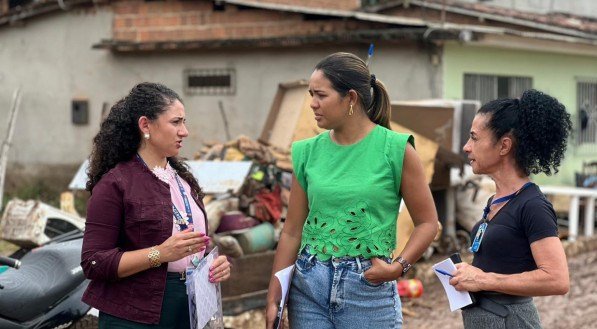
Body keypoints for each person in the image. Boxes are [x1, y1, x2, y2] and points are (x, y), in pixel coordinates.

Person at [265, 52, 439, 329]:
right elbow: (291, 231)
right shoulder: (306, 152)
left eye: (321, 95)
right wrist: (275, 293)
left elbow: (428, 223)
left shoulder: (396, 149)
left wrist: (398, 267)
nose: (312, 104)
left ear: (351, 98)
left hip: (368, 289)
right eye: (311, 94)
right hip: (309, 285)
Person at [81, 82, 231, 329]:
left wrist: (214, 263)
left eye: (184, 122)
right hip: (134, 314)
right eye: (176, 122)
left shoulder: (184, 181)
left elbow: (192, 243)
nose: (185, 131)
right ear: (145, 125)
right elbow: (94, 262)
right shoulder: (115, 183)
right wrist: (159, 254)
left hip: (189, 308)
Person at [450, 89, 572, 328]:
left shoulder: (533, 206)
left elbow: (557, 279)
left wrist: (485, 279)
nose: (466, 147)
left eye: (474, 138)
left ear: (504, 145)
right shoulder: (496, 201)